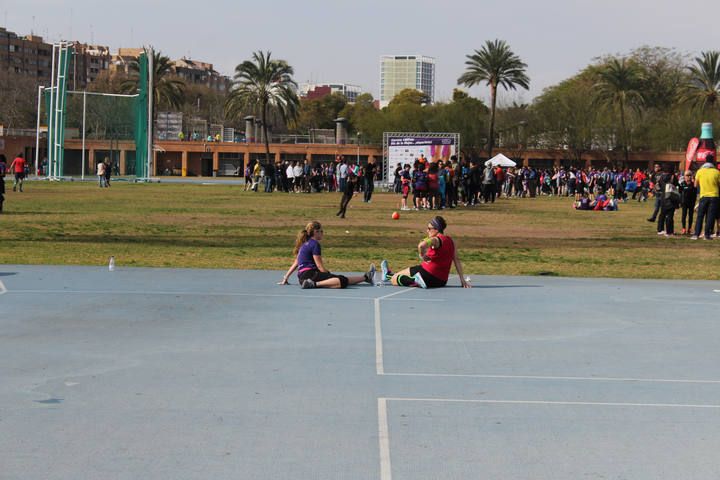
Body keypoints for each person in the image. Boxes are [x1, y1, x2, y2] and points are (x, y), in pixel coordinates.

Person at [379, 216, 471, 289]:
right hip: (440, 281)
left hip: (426, 273)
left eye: (429, 228)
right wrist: (462, 280)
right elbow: (457, 260)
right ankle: (387, 275)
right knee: (399, 274)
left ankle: (413, 280)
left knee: (395, 279)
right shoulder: (451, 241)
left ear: (436, 229)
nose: (427, 230)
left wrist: (422, 255)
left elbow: (421, 245)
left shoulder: (435, 240)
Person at [278, 221, 374, 289]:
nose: (322, 233)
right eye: (321, 231)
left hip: (302, 278)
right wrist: (328, 274)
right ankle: (313, 284)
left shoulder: (304, 244)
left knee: (340, 278)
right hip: (311, 275)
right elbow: (319, 266)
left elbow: (296, 262)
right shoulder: (314, 244)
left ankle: (366, 277)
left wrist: (286, 277)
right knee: (341, 280)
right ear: (315, 232)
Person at [692, 155, 720, 240]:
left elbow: (695, 185)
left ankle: (696, 234)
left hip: (703, 196)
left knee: (700, 215)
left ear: (705, 161)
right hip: (714, 196)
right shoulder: (717, 172)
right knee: (710, 216)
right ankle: (707, 235)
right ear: (713, 161)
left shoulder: (700, 171)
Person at [679, 171, 697, 235]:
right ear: (684, 176)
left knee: (690, 216)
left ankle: (689, 229)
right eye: (687, 175)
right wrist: (680, 202)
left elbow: (695, 194)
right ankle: (683, 228)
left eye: (690, 175)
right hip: (684, 202)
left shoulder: (693, 184)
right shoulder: (682, 184)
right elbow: (680, 193)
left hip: (691, 203)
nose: (688, 177)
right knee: (684, 215)